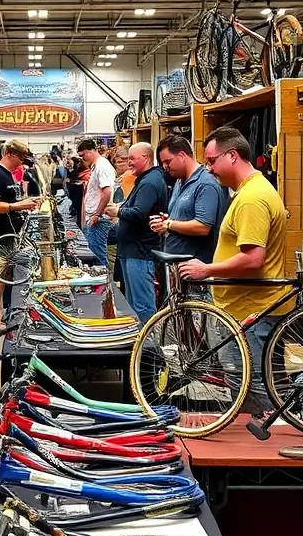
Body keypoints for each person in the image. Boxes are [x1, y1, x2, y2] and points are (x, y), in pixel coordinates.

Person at [178, 127, 287, 415]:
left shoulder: (252, 198)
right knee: (255, 382)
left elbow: (253, 259)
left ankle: (270, 434)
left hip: (252, 309)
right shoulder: (250, 191)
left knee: (254, 384)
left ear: (232, 156)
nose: (208, 168)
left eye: (212, 160)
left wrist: (207, 269)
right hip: (248, 307)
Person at [105, 143, 169, 324]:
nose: (129, 163)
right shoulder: (145, 179)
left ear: (146, 158)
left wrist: (118, 211)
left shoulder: (149, 182)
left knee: (142, 306)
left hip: (140, 252)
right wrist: (121, 207)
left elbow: (140, 213)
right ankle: (140, 339)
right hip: (133, 251)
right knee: (134, 305)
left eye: (132, 159)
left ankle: (149, 340)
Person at [0, 138, 39, 335]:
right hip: (0, 235)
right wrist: (19, 206)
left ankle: (2, 315)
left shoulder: (8, 175)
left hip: (10, 234)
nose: (22, 163)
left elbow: (10, 201)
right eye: (21, 158)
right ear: (9, 154)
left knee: (5, 277)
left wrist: (26, 202)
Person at [152, 135, 229, 266]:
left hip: (196, 267)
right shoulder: (179, 181)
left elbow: (203, 227)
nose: (165, 167)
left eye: (168, 162)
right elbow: (182, 217)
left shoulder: (205, 184)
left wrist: (169, 224)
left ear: (182, 156)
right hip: (177, 265)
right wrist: (165, 221)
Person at [78, 139, 115, 266]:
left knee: (98, 256)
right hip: (95, 217)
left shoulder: (102, 166)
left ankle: (102, 278)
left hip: (99, 219)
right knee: (95, 254)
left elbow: (107, 191)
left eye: (83, 155)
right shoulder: (97, 166)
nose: (82, 159)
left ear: (91, 151)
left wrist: (97, 214)